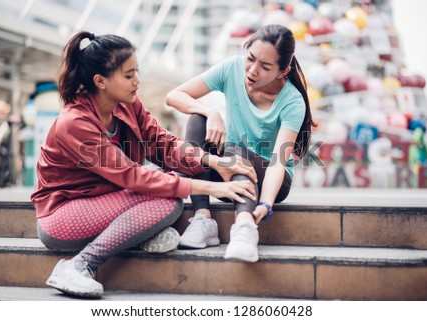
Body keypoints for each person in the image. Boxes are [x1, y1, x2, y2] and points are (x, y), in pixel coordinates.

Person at [30, 31, 257, 298]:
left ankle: (137, 237)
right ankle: (78, 267)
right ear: (100, 81)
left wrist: (213, 161)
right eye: (128, 75)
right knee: (168, 199)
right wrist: (213, 188)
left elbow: (162, 144)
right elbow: (131, 176)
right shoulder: (75, 122)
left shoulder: (127, 104)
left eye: (136, 71)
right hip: (62, 215)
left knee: (167, 183)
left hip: (109, 199)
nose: (137, 81)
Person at [166, 24, 315, 263]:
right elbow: (174, 96)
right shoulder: (232, 68)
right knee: (198, 120)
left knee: (235, 151)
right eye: (251, 58)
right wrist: (210, 111)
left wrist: (265, 203)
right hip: (229, 174)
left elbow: (279, 162)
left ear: (282, 71)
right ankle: (203, 218)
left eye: (265, 66)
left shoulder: (293, 102)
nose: (253, 70)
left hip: (271, 180)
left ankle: (245, 228)